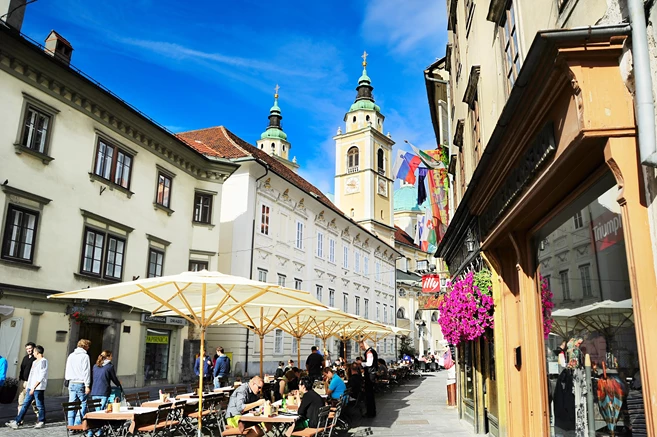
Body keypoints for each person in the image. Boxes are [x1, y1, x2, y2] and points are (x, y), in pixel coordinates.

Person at [6, 345, 48, 429]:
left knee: (39, 405)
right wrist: (29, 386)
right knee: (25, 404)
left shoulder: (43, 361)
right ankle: (17, 421)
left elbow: (41, 376)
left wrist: (34, 387)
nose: (33, 353)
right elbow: (31, 375)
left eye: (34, 351)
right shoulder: (35, 362)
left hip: (38, 388)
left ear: (37, 352)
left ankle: (41, 421)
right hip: (30, 386)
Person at [65, 339, 91, 426]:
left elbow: (67, 369)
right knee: (83, 403)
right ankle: (77, 424)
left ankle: (70, 425)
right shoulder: (85, 356)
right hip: (80, 383)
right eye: (88, 346)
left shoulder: (71, 355)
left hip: (71, 382)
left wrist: (68, 379)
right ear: (85, 346)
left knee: (71, 405)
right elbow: (86, 372)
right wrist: (87, 385)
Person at [16, 342, 37, 418]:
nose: (28, 350)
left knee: (33, 401)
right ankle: (19, 418)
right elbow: (22, 369)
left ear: (34, 348)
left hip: (31, 383)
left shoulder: (36, 359)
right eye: (27, 349)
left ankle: (39, 416)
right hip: (23, 381)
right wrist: (20, 379)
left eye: (30, 348)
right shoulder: (25, 358)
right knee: (20, 401)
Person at [360, 339, 378, 418]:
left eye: (361, 346)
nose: (361, 348)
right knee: (370, 394)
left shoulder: (369, 352)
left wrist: (361, 363)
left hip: (370, 375)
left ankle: (370, 412)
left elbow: (369, 363)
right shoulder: (371, 351)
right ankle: (371, 411)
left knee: (369, 394)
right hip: (372, 374)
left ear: (364, 344)